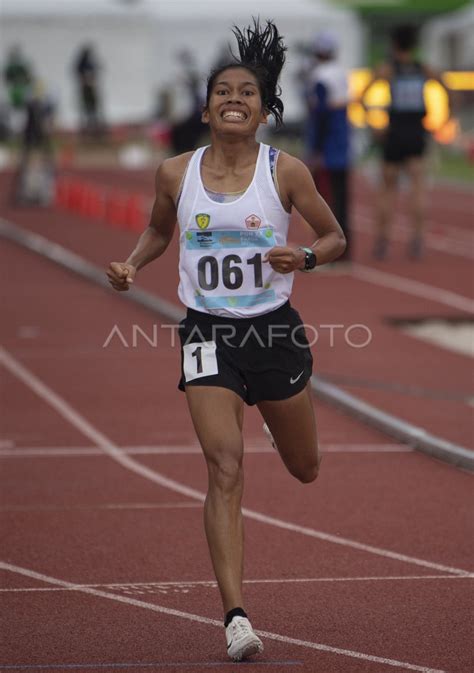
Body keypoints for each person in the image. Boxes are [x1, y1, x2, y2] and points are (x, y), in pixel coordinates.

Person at [107, 20, 345, 662]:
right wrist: (134, 263)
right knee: (224, 466)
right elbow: (160, 232)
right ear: (207, 105)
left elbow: (335, 236)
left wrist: (307, 257)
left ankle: (275, 415)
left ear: (265, 110)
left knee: (306, 469)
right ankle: (235, 616)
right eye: (222, 90)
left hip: (273, 331)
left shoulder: (285, 171)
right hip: (208, 330)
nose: (233, 98)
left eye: (247, 91)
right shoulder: (174, 173)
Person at [361, 24, 451, 260]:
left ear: (393, 44)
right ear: (414, 45)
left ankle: (382, 242)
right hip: (416, 133)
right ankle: (417, 240)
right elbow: (449, 91)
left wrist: (374, 125)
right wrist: (442, 122)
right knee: (418, 189)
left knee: (387, 190)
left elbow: (361, 97)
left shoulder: (388, 69)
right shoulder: (424, 69)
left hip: (395, 132)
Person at [304, 33, 351, 262]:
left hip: (327, 149)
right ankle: (344, 252)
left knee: (325, 202)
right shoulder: (341, 73)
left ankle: (329, 254)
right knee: (342, 200)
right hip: (342, 146)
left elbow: (320, 115)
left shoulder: (319, 76)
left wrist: (315, 149)